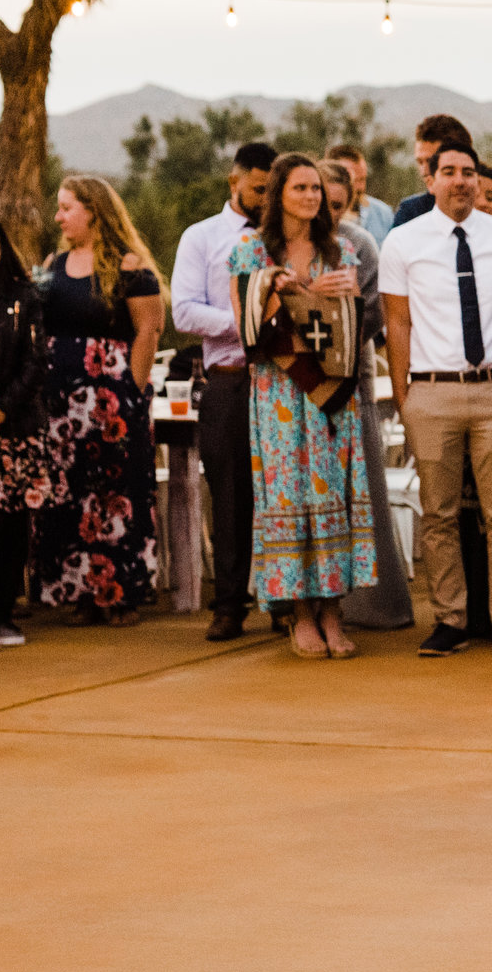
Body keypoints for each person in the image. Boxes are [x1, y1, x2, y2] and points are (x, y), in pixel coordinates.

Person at [382, 139, 492, 658]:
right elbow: (397, 322)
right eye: (448, 171)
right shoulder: (402, 242)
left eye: (468, 172)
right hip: (432, 391)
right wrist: (405, 396)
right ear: (430, 180)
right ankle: (449, 619)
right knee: (440, 514)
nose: (461, 180)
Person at [226, 155, 376, 659]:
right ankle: (300, 614)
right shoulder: (251, 249)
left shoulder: (342, 250)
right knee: (289, 496)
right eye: (300, 188)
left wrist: (342, 296)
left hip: (331, 392)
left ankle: (332, 609)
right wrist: (282, 287)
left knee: (331, 491)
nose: (311, 197)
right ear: (279, 195)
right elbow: (247, 328)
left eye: (317, 188)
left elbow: (353, 325)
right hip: (281, 393)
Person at [32, 177, 165, 625]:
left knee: (117, 493)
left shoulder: (129, 266)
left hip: (113, 399)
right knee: (69, 492)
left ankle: (121, 593)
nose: (58, 216)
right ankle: (81, 591)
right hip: (61, 401)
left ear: (93, 210)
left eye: (66, 207)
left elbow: (149, 330)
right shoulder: (54, 263)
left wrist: (134, 388)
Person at [168, 140, 271, 639]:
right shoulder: (202, 237)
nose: (265, 199)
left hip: (284, 380)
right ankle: (230, 602)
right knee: (229, 494)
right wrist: (248, 324)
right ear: (234, 182)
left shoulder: (284, 235)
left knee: (281, 491)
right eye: (258, 189)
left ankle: (285, 599)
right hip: (229, 379)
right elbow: (184, 310)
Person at [318, 160, 414, 631]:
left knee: (361, 481)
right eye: (322, 203)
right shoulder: (281, 243)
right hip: (292, 381)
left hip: (351, 372)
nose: (329, 214)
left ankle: (374, 601)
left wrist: (340, 327)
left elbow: (376, 314)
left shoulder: (360, 244)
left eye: (339, 206)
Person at [0, 206, 49, 651]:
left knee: (11, 523)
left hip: (13, 425)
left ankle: (3, 613)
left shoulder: (23, 297)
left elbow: (35, 364)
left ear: (1, 245)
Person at [389, 113, 492, 287]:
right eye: (420, 162)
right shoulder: (412, 212)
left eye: (431, 161)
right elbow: (396, 270)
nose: (424, 170)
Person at [324, 141, 394, 245]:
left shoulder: (383, 214)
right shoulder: (315, 215)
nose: (360, 187)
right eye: (353, 180)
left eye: (363, 179)